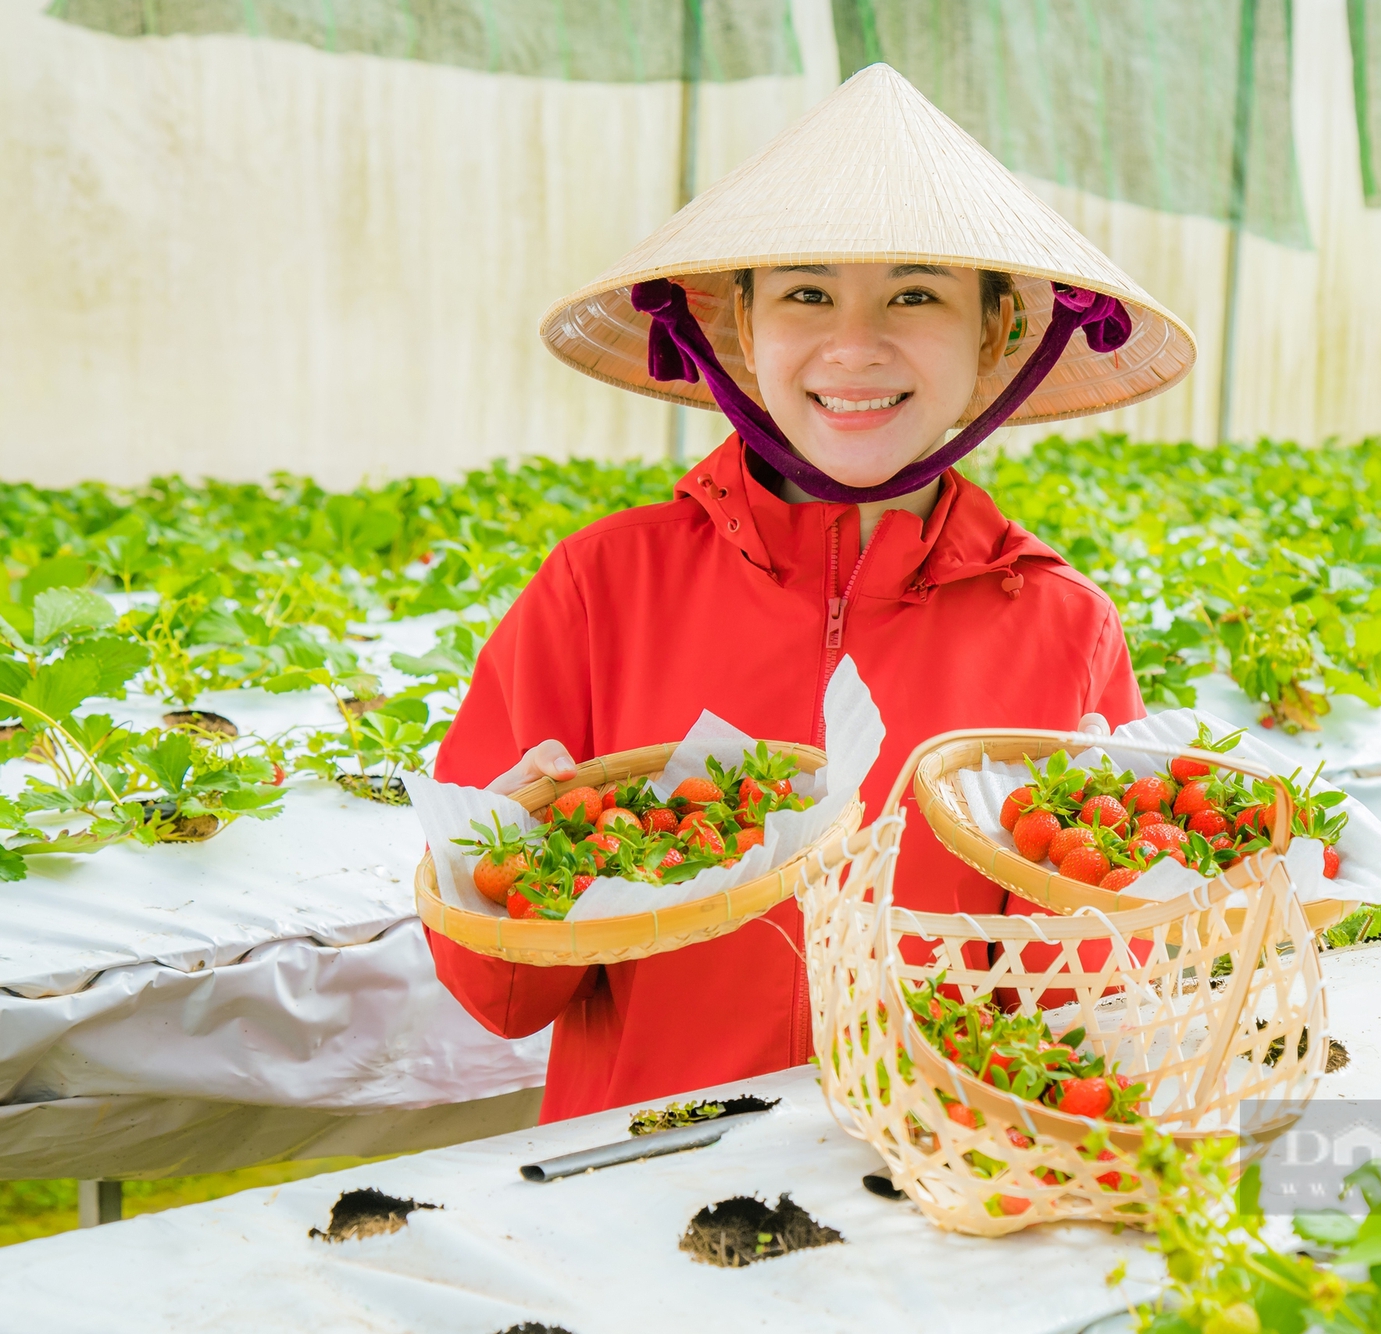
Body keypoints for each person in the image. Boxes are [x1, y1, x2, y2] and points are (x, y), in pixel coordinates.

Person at [427, 65, 1196, 1121]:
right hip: (639, 1170)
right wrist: (499, 857)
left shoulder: (1060, 628)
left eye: (915, 293)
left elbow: (1073, 1003)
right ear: (737, 331)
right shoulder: (598, 590)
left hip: (925, 1188)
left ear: (996, 339)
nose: (853, 343)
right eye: (805, 292)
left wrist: (1143, 891)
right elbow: (498, 994)